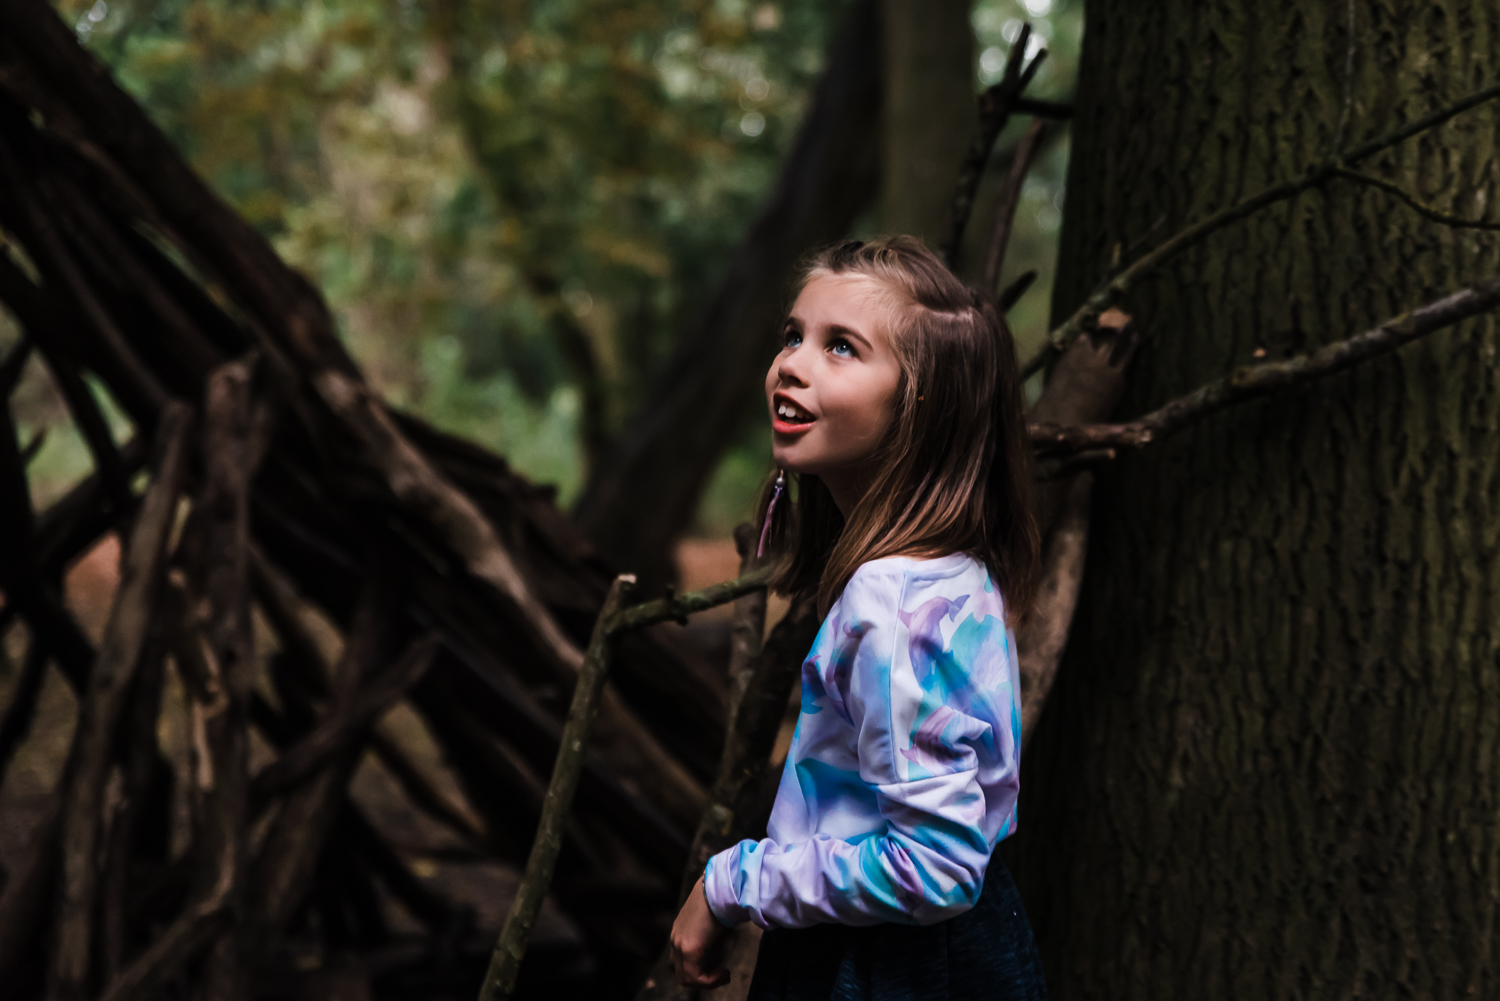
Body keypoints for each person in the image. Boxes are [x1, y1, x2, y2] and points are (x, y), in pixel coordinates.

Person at [668, 236, 1049, 1001]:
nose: (791, 365)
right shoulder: (955, 572)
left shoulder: (893, 606)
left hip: (885, 965)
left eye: (841, 347)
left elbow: (934, 864)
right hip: (950, 945)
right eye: (793, 335)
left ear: (921, 404)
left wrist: (732, 882)